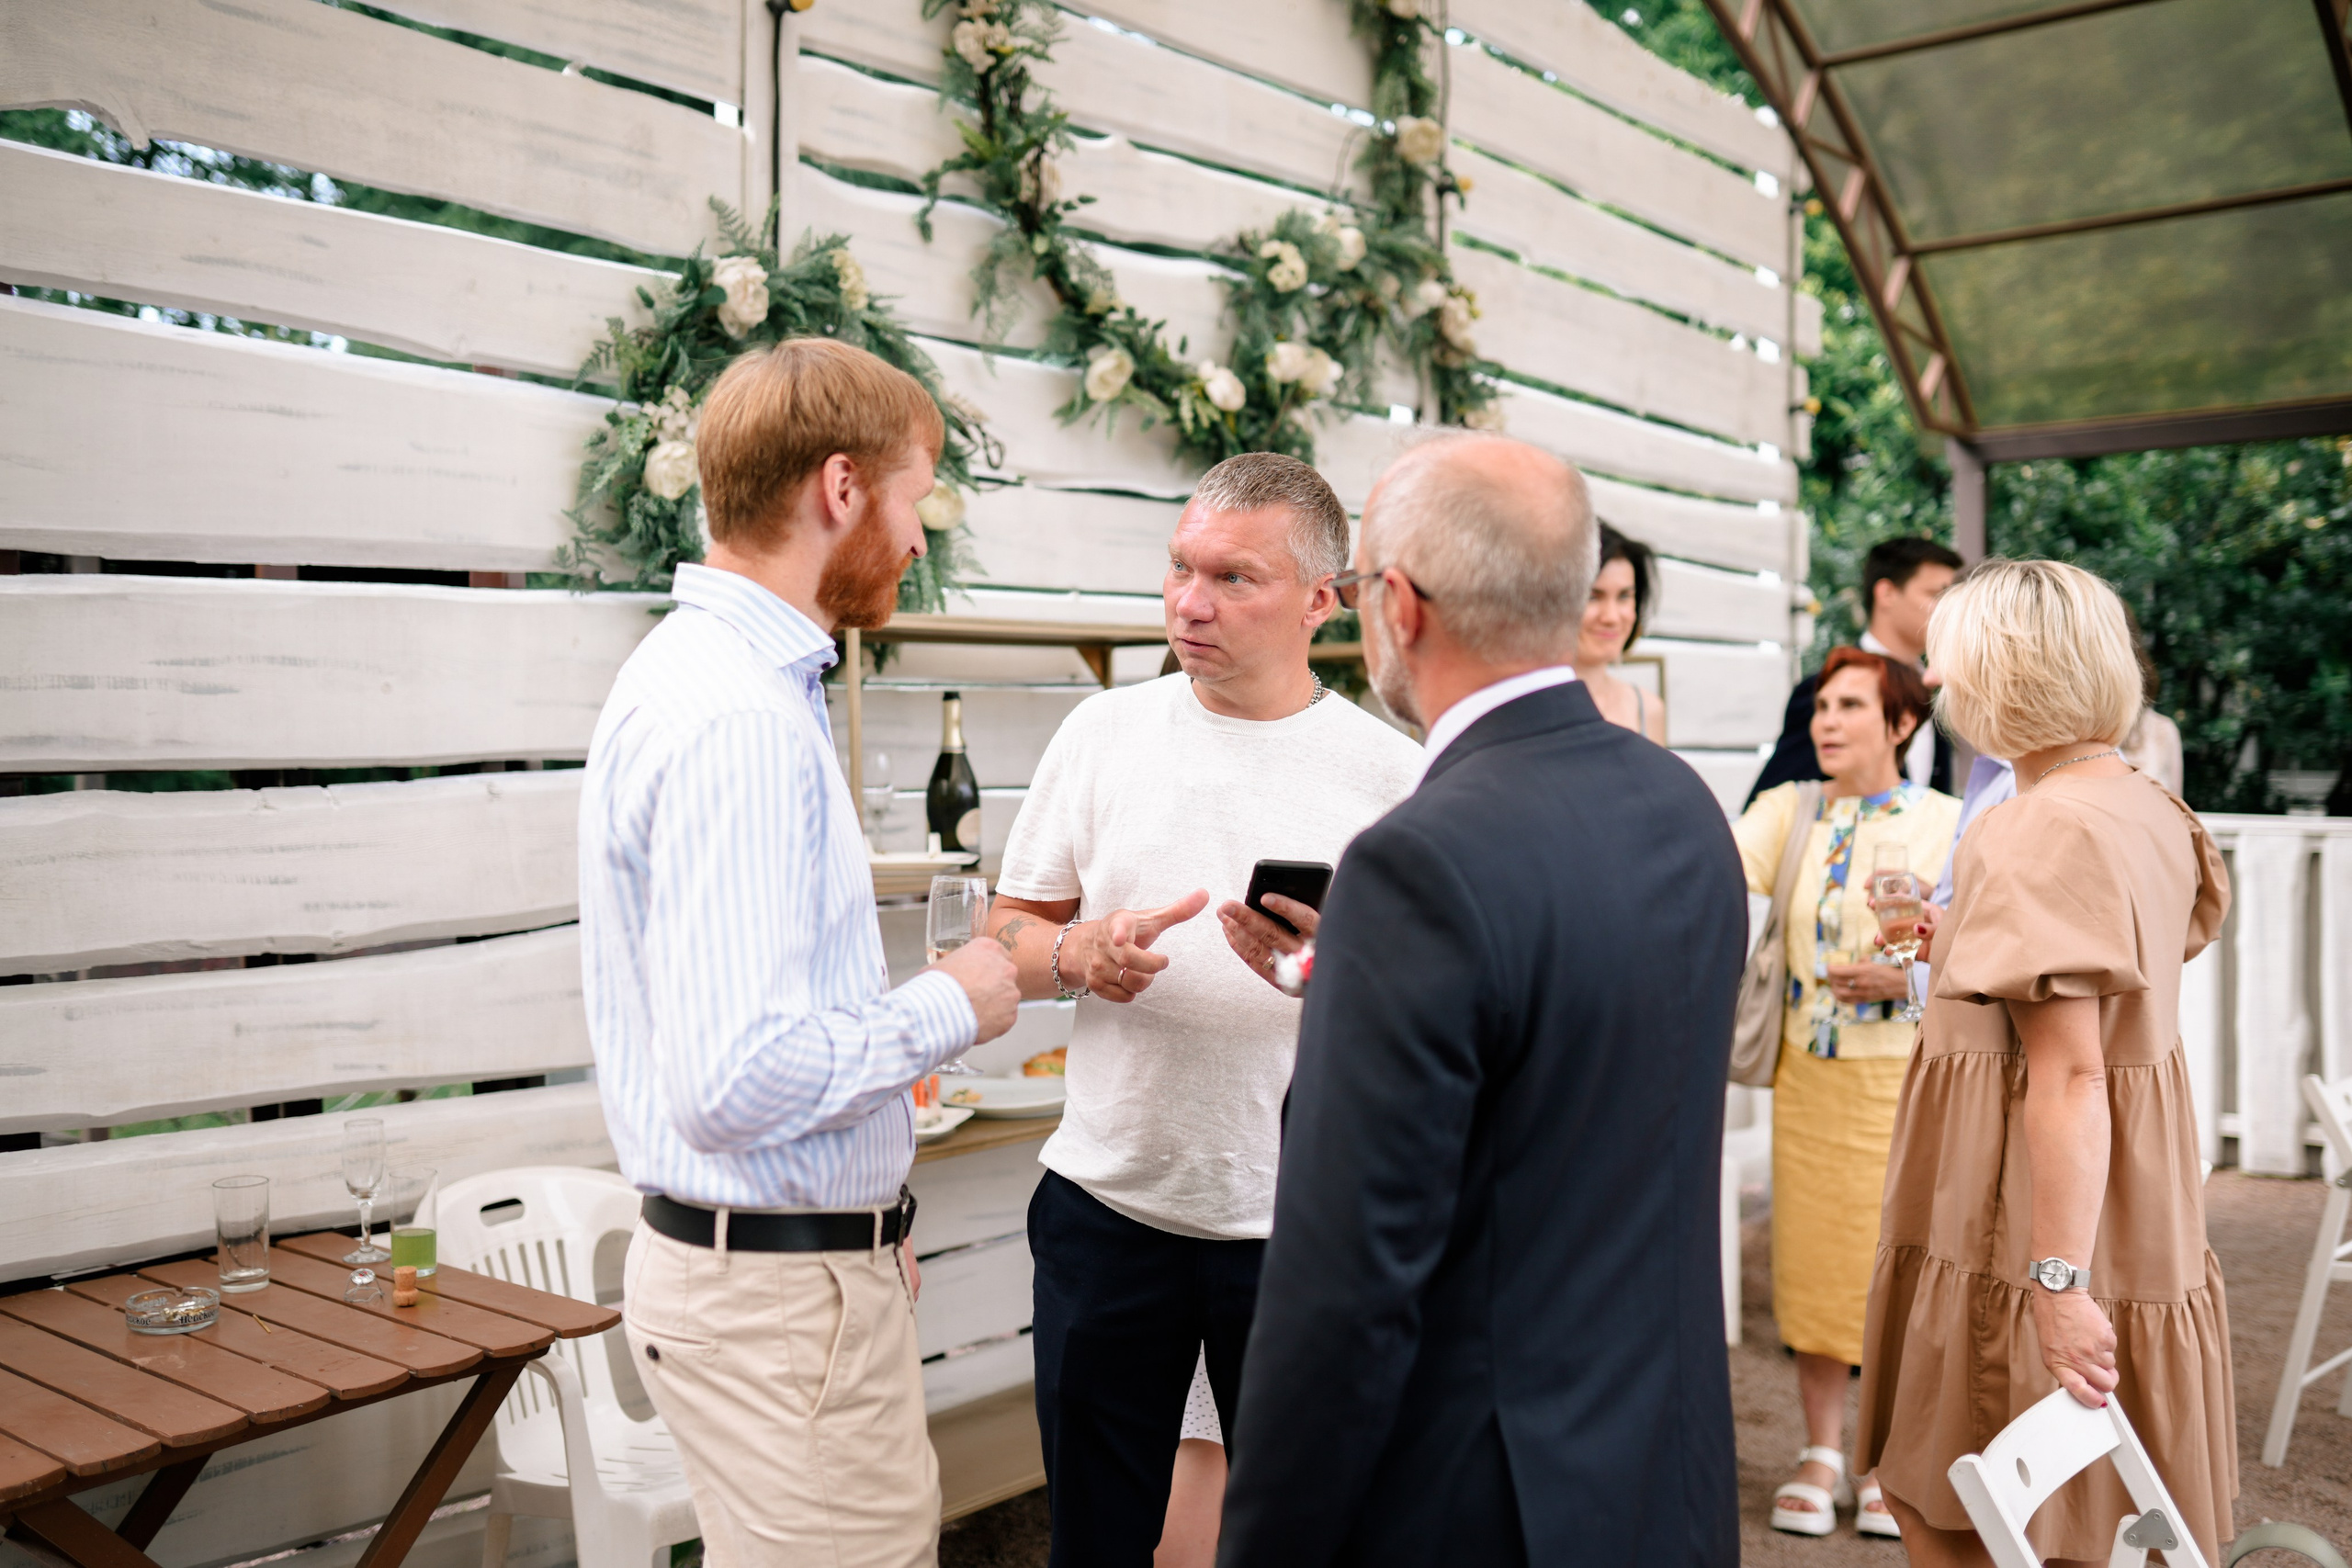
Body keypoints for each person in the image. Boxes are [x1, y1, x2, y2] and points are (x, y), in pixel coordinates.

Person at [1218, 434, 1747, 1568]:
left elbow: (1344, 1294)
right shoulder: (1681, 805)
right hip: (1663, 1475)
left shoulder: (1418, 864)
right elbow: (1574, 1073)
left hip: (1488, 1503)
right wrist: (1355, 987)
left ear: (1398, 606)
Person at [577, 338, 1022, 1568]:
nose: (919, 539)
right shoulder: (739, 720)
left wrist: (863, 1217)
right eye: (914, 498)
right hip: (776, 1308)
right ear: (841, 487)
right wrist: (952, 1001)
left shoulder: (702, 675)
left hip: (778, 1278)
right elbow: (734, 1079)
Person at [982, 451, 1422, 1568]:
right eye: (1181, 567)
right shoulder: (1101, 734)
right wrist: (1075, 953)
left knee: (1305, 1541)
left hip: (1300, 1226)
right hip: (1104, 1206)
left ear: (1322, 600)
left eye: (1235, 578)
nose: (1189, 602)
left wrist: (1337, 971)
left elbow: (1437, 1019)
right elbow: (1002, 942)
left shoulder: (1396, 777)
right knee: (1093, 1542)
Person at [1856, 560, 2235, 1566]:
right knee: (2099, 1510)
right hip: (2126, 1194)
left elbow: (2069, 1074)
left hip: (2024, 1203)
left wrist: (2058, 1284)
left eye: (1950, 660)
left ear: (2006, 672)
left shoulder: (2034, 827)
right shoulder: (2146, 804)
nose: (1937, 682)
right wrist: (1965, 937)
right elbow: (2115, 982)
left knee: (1959, 1501)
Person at [1731, 647, 1961, 1540]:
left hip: (1907, 1083)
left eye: (1850, 706)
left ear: (1901, 723)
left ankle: (1884, 1455)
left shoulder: (1947, 823)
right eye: (1821, 707)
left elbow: (1985, 943)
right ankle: (1821, 1448)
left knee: (1898, 1269)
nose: (1826, 721)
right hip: (1809, 1082)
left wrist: (1908, 976)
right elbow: (1710, 872)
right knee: (1815, 1263)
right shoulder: (1789, 811)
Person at [1749, 537, 1962, 805]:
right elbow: (1769, 802)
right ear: (1886, 593)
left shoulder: (1934, 687)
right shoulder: (1823, 690)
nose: (1949, 610)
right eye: (1936, 595)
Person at [1572, 522, 1667, 741]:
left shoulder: (1647, 709)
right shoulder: (1524, 704)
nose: (1611, 617)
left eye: (1624, 596)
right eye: (1593, 597)